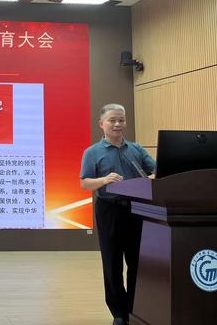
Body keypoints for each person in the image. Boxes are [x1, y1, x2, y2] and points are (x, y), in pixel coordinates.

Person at [80, 103, 155, 325]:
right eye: (112, 120)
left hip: (136, 208)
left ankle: (134, 309)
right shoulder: (92, 152)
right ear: (101, 124)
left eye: (121, 120)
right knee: (112, 262)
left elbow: (155, 170)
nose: (117, 124)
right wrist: (104, 180)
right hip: (109, 209)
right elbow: (85, 183)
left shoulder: (136, 149)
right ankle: (119, 313)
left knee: (136, 262)